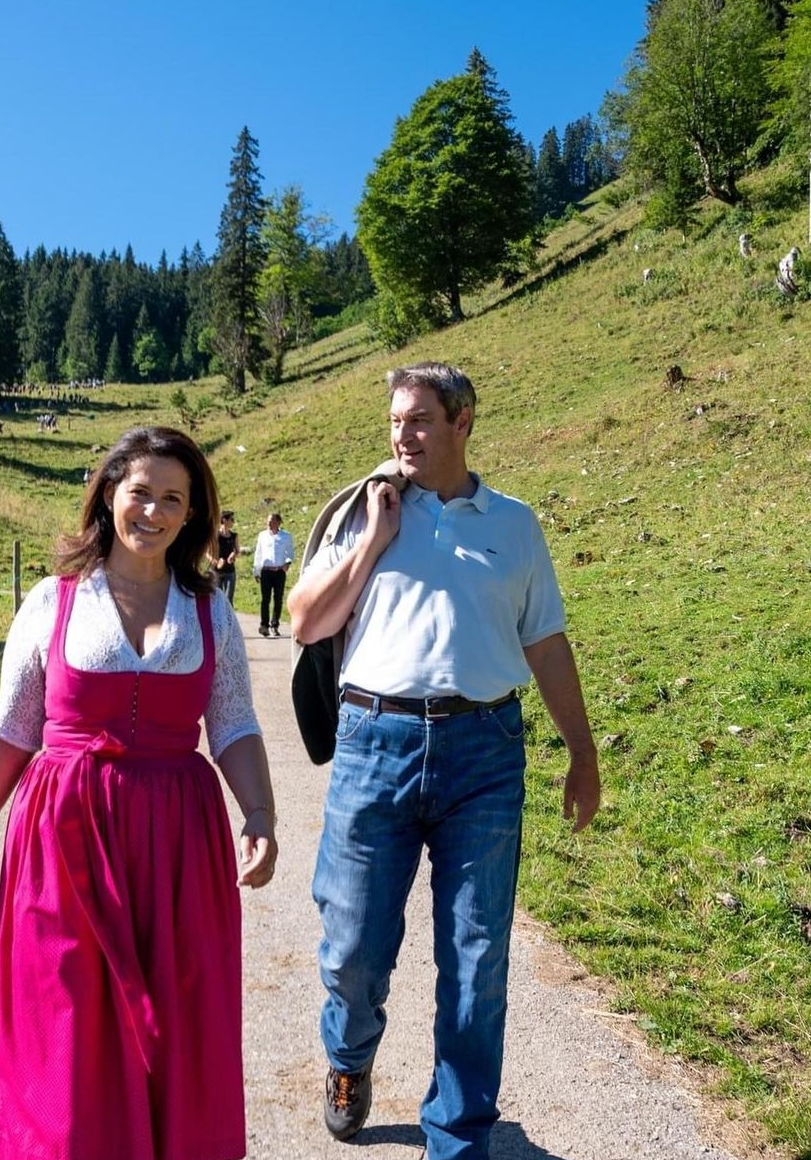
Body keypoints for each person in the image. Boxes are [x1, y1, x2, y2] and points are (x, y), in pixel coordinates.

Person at [0, 425, 278, 1160]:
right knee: (63, 1016)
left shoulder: (209, 609)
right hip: (63, 839)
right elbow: (10, 732)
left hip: (178, 843)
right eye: (139, 494)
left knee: (178, 1016)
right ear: (108, 496)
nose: (151, 512)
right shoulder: (51, 601)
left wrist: (260, 813)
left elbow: (234, 725)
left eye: (172, 499)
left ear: (192, 515)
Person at [287, 362, 600, 1159]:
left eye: (419, 420)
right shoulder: (365, 510)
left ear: (462, 423)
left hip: (483, 751)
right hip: (371, 746)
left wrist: (580, 750)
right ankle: (349, 1059)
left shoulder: (514, 524)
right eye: (395, 421)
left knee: (476, 953)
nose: (402, 435)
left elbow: (545, 641)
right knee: (354, 947)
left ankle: (457, 1135)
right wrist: (373, 544)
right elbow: (303, 622)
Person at [251, 512, 294, 637]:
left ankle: (275, 625)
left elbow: (290, 553)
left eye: (273, 521)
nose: (270, 524)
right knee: (265, 599)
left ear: (279, 522)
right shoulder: (262, 536)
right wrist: (256, 570)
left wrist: (288, 563)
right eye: (268, 521)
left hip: (279, 571)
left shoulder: (285, 536)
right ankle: (264, 625)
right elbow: (258, 554)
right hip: (266, 571)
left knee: (278, 599)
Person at [209, 509, 240, 606]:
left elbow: (238, 551)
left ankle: (228, 620)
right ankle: (216, 620)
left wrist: (234, 555)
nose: (233, 522)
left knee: (228, 598)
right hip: (216, 571)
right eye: (231, 519)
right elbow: (207, 552)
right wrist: (215, 561)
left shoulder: (234, 536)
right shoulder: (215, 535)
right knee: (216, 598)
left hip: (230, 571)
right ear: (224, 520)